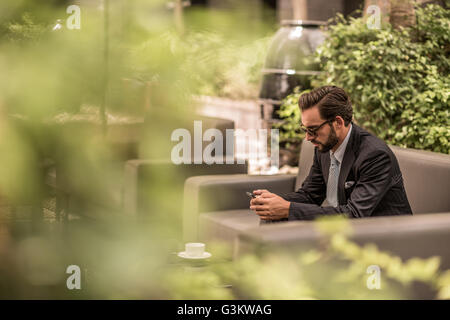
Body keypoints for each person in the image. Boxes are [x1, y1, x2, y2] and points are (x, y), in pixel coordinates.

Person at [250, 86, 412, 221]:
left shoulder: (374, 155)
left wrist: (288, 209)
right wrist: (274, 201)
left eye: (312, 130)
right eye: (305, 130)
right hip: (347, 233)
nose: (308, 137)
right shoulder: (324, 147)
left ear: (338, 123)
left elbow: (355, 214)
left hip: (386, 238)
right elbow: (310, 195)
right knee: (272, 220)